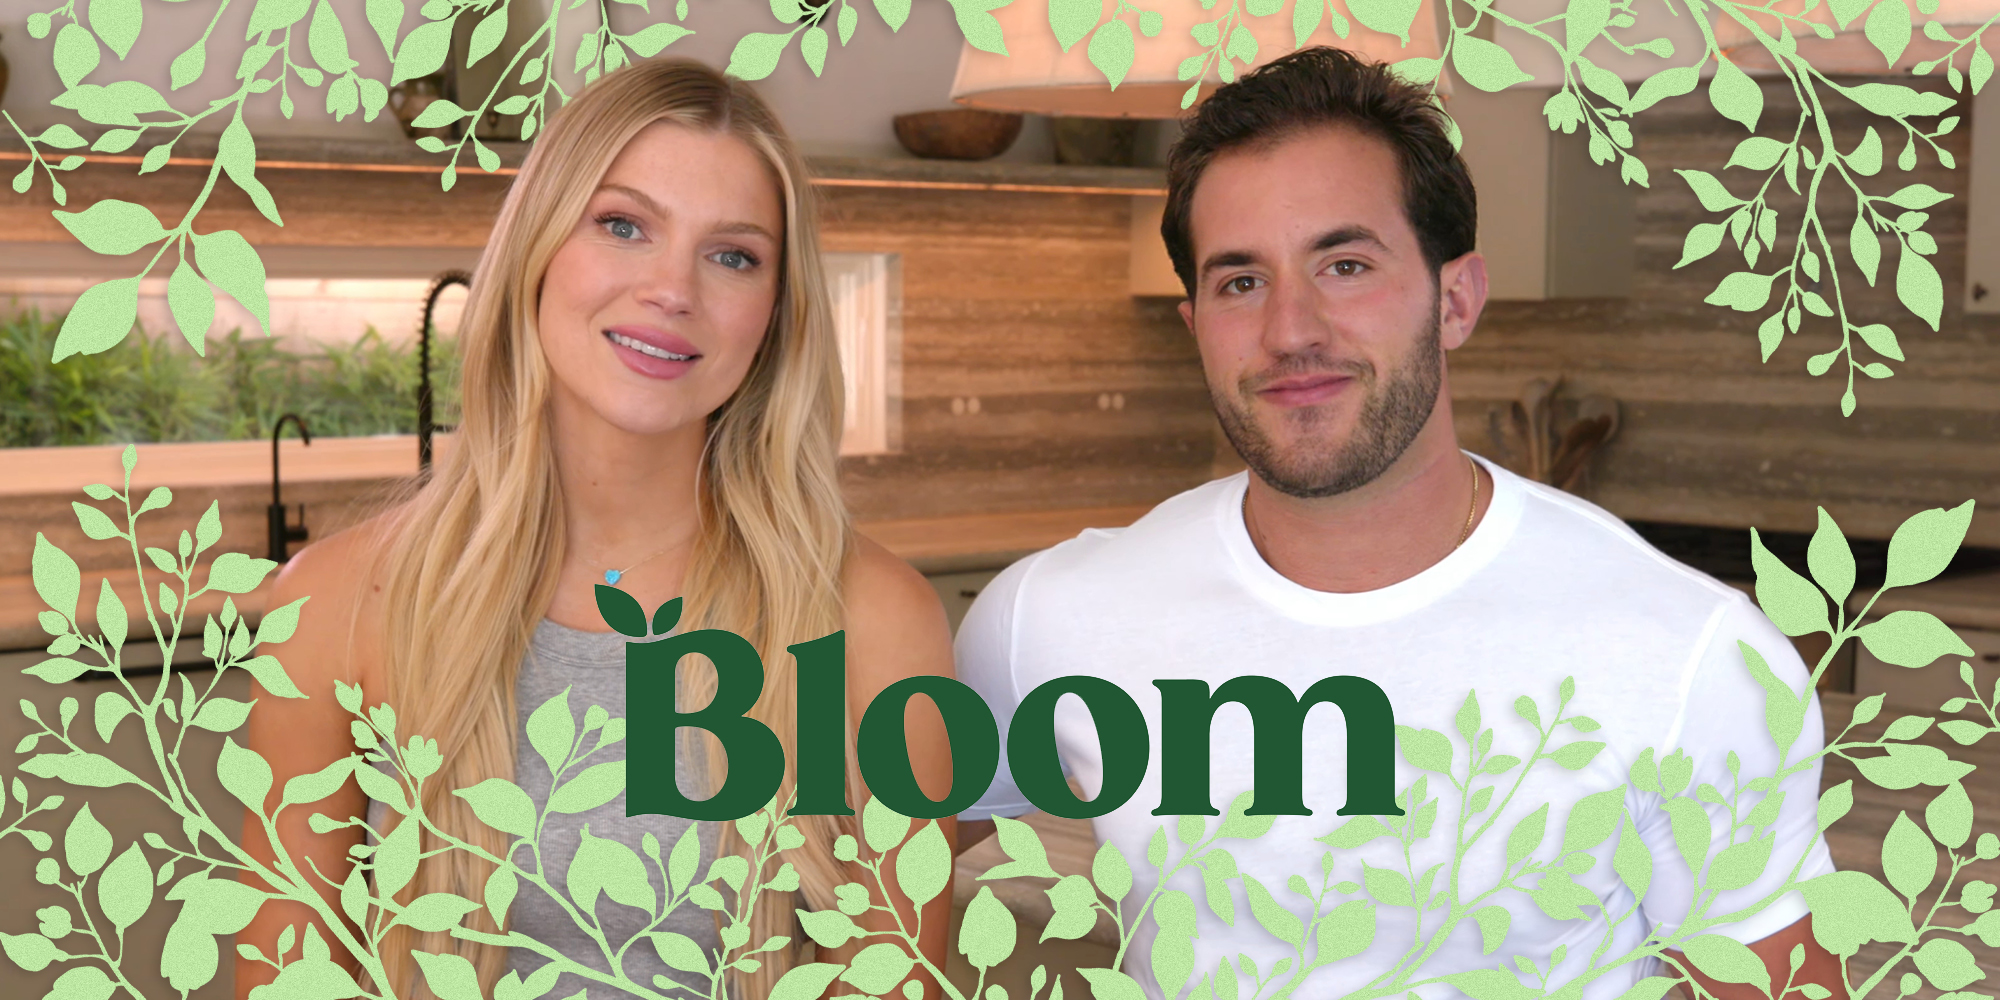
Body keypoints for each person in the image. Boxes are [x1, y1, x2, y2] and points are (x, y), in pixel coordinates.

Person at [953, 47, 1840, 1000]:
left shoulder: (1689, 655)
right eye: (1240, 281)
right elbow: (853, 871)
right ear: (1195, 324)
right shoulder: (1048, 617)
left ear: (1455, 300)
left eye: (1345, 264)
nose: (1291, 329)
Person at [240, 59, 957, 1000]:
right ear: (538, 249)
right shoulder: (337, 604)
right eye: (623, 226)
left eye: (733, 254)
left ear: (774, 316)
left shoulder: (868, 621)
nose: (673, 288)